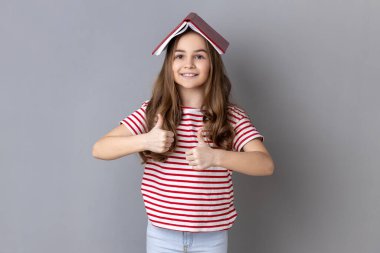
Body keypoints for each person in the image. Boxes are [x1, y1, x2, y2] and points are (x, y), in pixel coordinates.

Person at [92, 13, 275, 253]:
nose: (188, 64)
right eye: (180, 56)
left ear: (213, 65)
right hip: (161, 235)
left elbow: (265, 164)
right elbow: (99, 149)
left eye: (199, 56)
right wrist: (145, 140)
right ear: (170, 64)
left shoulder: (231, 116)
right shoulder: (154, 112)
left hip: (211, 237)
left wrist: (216, 157)